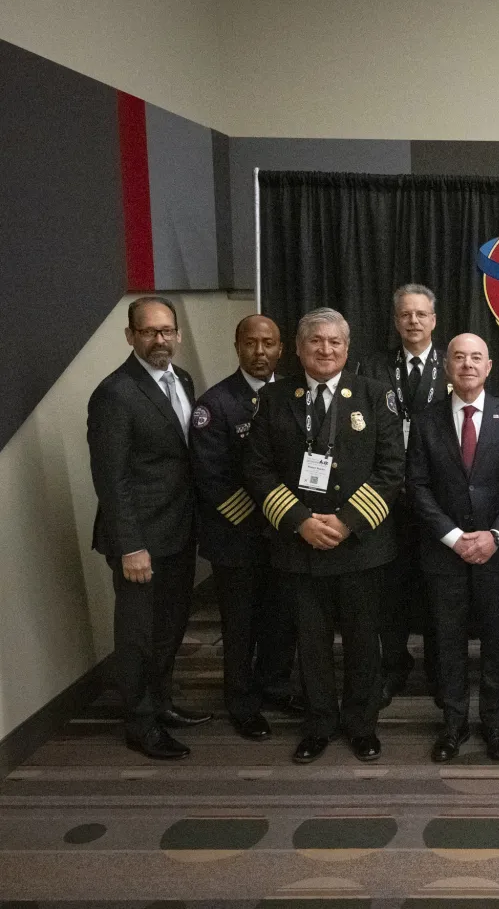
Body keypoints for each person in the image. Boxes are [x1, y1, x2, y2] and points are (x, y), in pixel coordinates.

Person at [244, 307, 403, 764]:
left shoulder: (375, 395)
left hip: (361, 545)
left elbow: (392, 468)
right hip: (299, 546)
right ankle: (318, 724)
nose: (325, 350)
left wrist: (347, 521)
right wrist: (300, 521)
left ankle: (361, 725)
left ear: (347, 349)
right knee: (310, 643)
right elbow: (256, 468)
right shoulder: (275, 400)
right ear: (298, 348)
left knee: (361, 642)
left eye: (334, 342)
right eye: (315, 341)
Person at [88, 296, 209, 759]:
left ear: (177, 334)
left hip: (179, 530)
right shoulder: (116, 393)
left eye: (167, 331)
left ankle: (162, 704)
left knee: (170, 628)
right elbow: (111, 478)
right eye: (149, 332)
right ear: (130, 337)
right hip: (140, 541)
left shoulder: (182, 379)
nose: (160, 339)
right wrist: (130, 546)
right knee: (138, 636)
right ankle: (140, 724)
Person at [407, 334, 499, 763]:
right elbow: (418, 486)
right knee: (447, 643)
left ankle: (495, 725)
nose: (467, 365)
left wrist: (495, 535)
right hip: (444, 553)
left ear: (490, 366)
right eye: (458, 358)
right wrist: (453, 537)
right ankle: (453, 725)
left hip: (498, 554)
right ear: (447, 366)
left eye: (475, 358)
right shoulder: (425, 420)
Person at [190, 314, 299, 742]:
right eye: (251, 343)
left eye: (268, 343)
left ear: (281, 349)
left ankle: (274, 686)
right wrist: (274, 519)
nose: (260, 352)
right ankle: (241, 702)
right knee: (240, 626)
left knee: (281, 619)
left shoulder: (293, 395)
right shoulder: (215, 405)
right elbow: (213, 480)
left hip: (284, 538)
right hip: (239, 539)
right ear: (237, 347)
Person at [361, 284, 448, 709]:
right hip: (387, 501)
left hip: (437, 499)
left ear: (434, 320)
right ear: (396, 321)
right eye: (405, 315)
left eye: (421, 314)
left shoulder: (455, 364)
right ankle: (393, 666)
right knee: (389, 590)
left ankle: (439, 668)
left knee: (436, 589)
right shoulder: (373, 367)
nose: (413, 321)